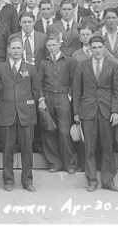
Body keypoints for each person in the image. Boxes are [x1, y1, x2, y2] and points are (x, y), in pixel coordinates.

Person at [72, 36, 118, 192]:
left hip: (106, 111)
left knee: (107, 146)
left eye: (100, 47)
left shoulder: (112, 66)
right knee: (89, 147)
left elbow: (117, 91)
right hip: (88, 111)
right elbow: (76, 90)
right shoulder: (82, 66)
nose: (98, 50)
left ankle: (108, 180)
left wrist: (115, 111)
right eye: (94, 47)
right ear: (90, 49)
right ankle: (92, 180)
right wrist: (76, 112)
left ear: (104, 48)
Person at [0, 37, 40, 192]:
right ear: (8, 50)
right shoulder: (0, 68)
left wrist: (29, 105)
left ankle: (27, 180)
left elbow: (35, 90)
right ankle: (8, 180)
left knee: (27, 148)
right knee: (7, 148)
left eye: (18, 48)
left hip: (25, 114)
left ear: (23, 50)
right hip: (6, 113)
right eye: (13, 48)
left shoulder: (31, 69)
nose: (16, 51)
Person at [38, 37, 78, 174]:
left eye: (54, 44)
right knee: (49, 130)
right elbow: (39, 83)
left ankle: (70, 163)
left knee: (64, 131)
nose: (51, 47)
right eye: (49, 45)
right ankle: (54, 163)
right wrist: (41, 99)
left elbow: (75, 81)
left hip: (63, 97)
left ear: (59, 45)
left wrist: (69, 95)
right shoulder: (44, 63)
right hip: (48, 97)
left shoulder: (69, 61)